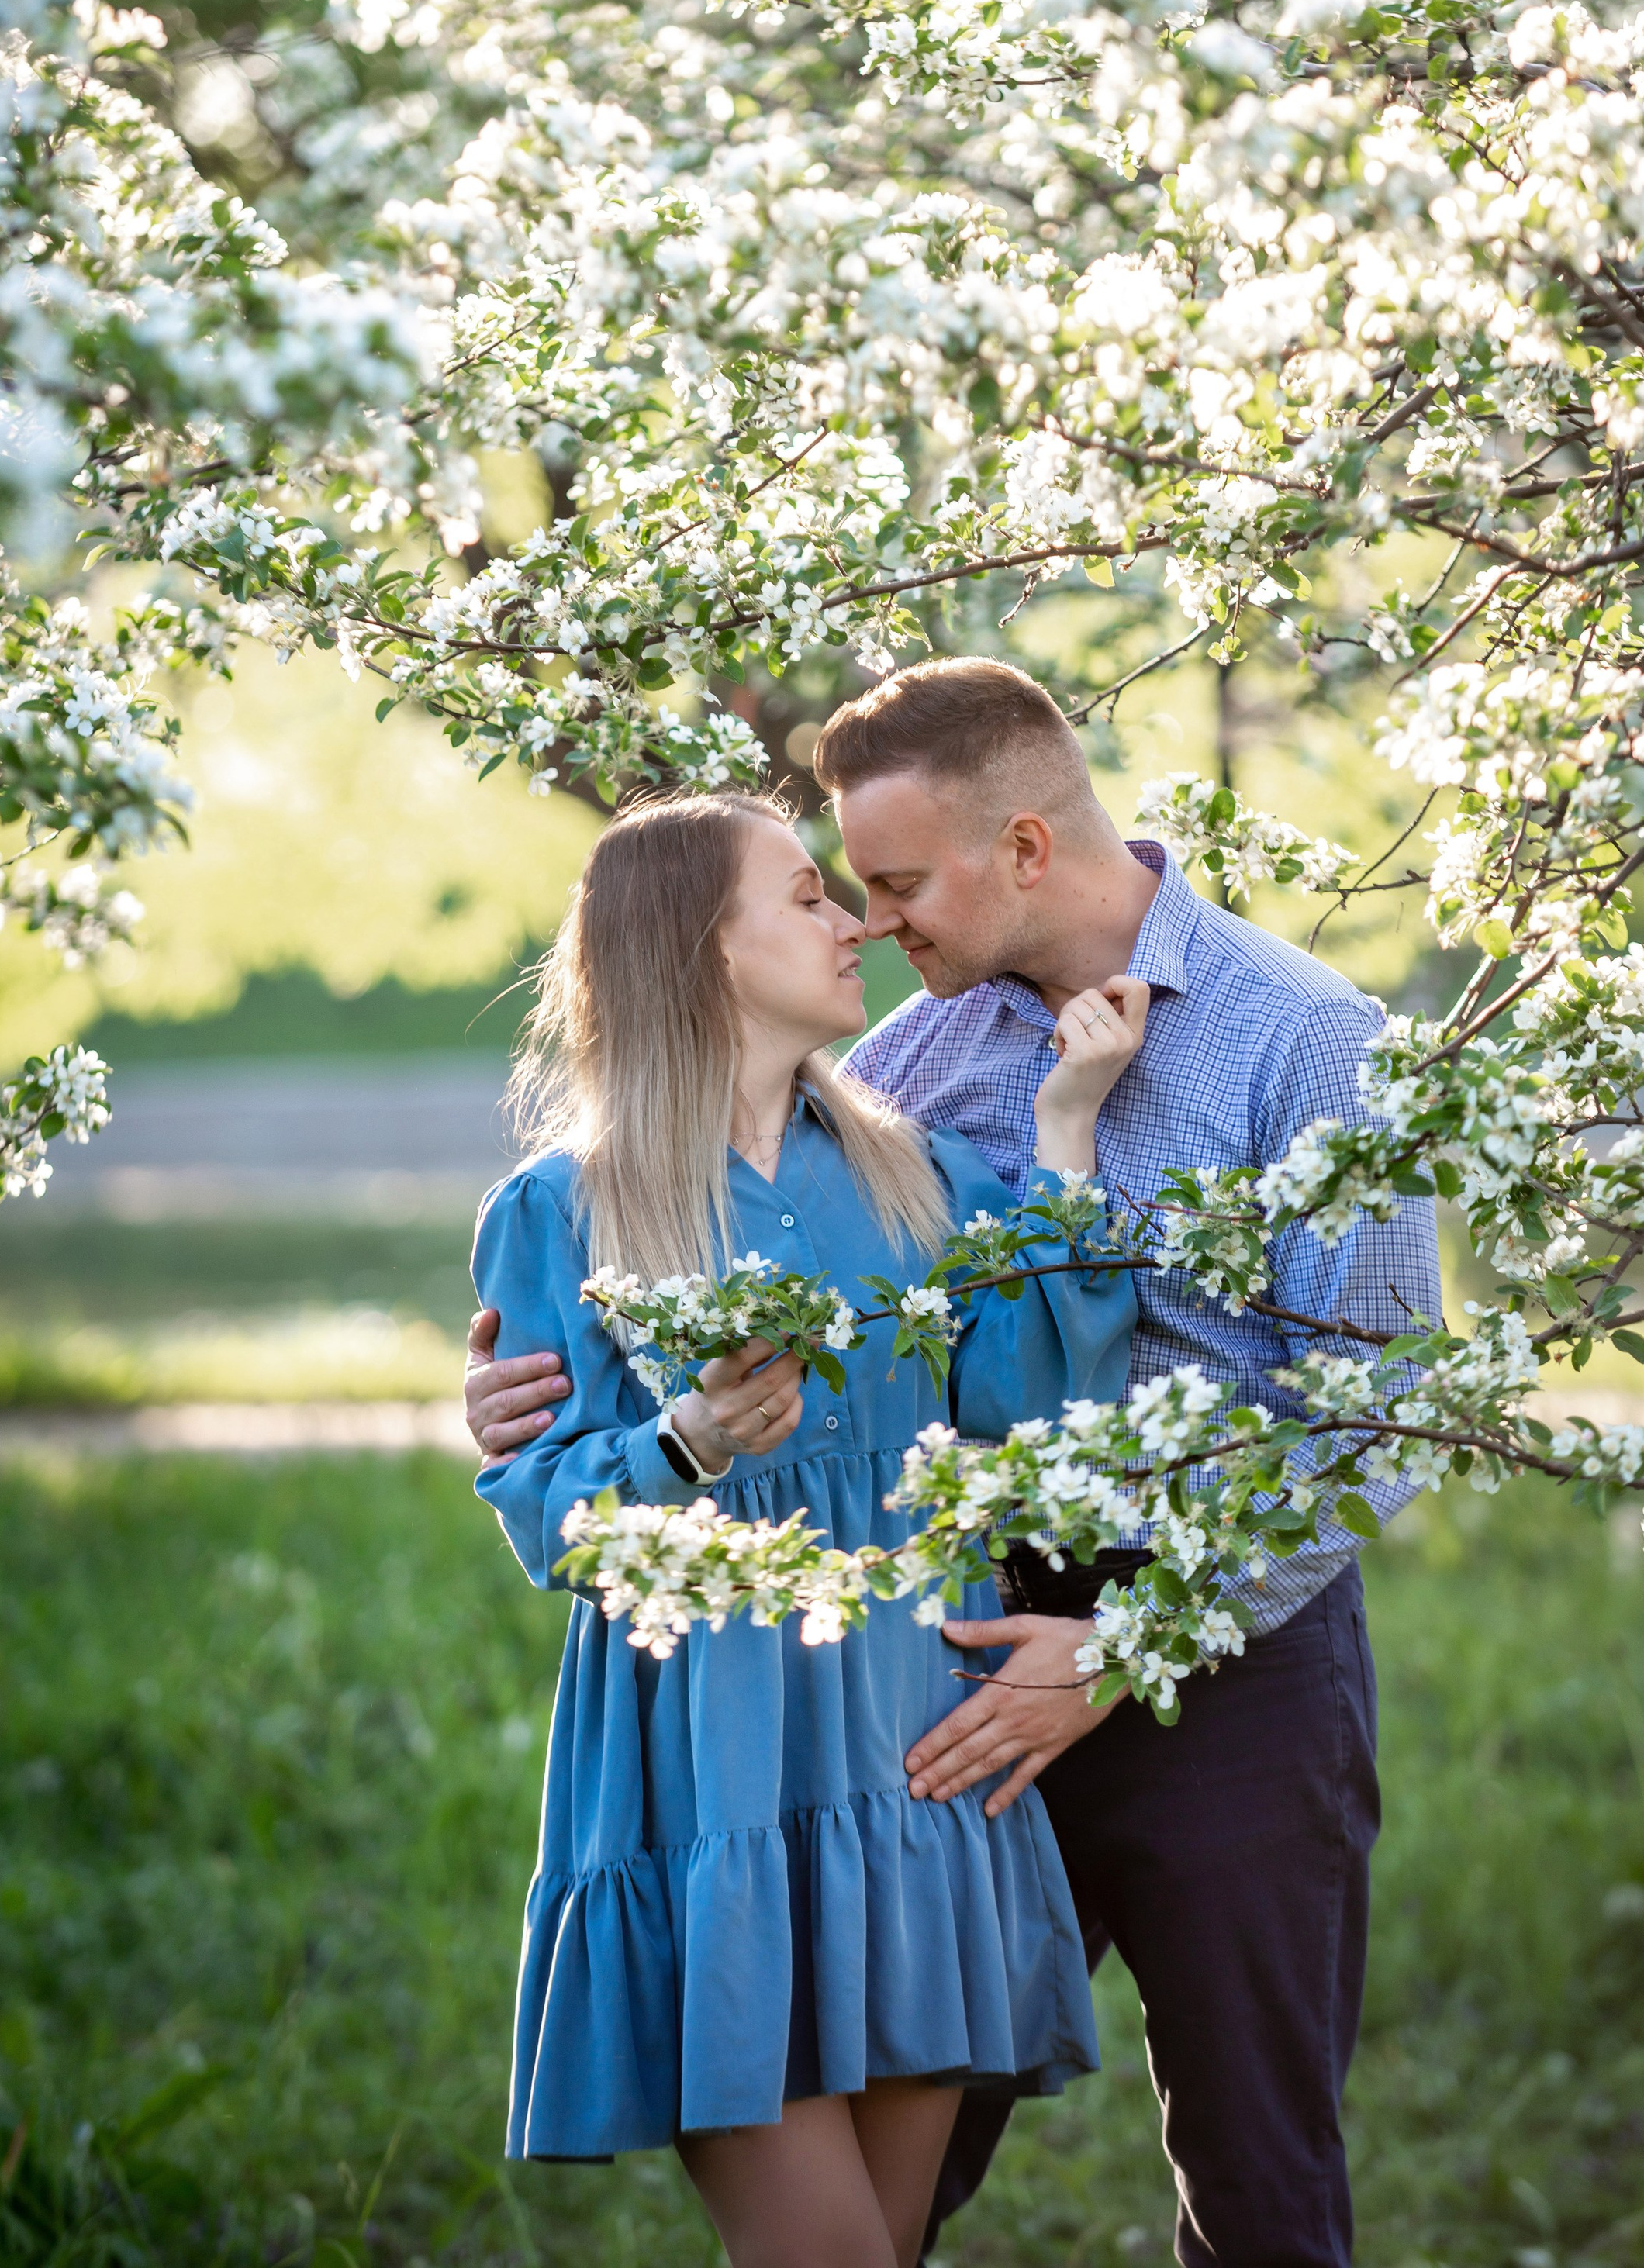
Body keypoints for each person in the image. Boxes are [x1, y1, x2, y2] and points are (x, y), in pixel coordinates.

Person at [468, 661, 1442, 2268]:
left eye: (895, 882)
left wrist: (1133, 1637)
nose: (868, 920)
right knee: (888, 2190)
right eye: (837, 889)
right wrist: (565, 1421)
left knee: (1256, 2174)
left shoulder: (1310, 1043)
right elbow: (598, 1373)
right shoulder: (900, 1073)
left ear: (1027, 851)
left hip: (1219, 1647)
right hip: (916, 1683)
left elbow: (1371, 1414)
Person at [465, 785, 1146, 2268]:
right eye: (806, 898)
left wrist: (1067, 1142)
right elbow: (553, 1523)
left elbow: (1029, 1411)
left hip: (911, 1763)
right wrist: (684, 1443)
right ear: (702, 951)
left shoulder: (919, 1173)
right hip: (717, 1773)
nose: (857, 922)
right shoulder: (564, 1210)